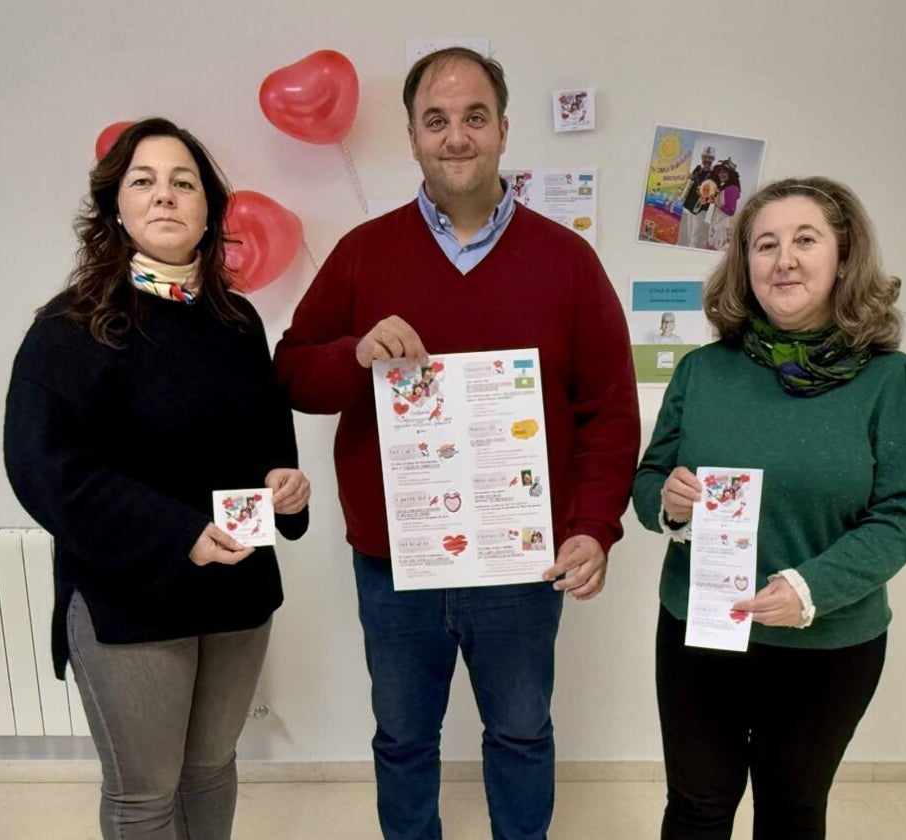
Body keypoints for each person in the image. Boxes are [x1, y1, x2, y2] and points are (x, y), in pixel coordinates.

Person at [273, 47, 639, 840]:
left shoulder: (567, 262)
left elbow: (609, 409)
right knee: (403, 740)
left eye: (474, 117)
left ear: (504, 129)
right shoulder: (365, 253)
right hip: (395, 561)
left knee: (520, 733)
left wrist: (595, 525)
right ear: (410, 137)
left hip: (521, 558)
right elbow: (294, 373)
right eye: (436, 120)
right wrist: (355, 353)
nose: (456, 136)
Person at [3, 118, 310, 840]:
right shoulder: (70, 327)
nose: (165, 195)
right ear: (117, 207)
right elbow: (45, 471)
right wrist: (179, 536)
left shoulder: (238, 321)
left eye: (183, 182)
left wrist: (284, 489)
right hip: (128, 596)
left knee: (210, 769)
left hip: (237, 587)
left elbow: (269, 440)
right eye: (144, 181)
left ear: (208, 211)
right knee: (145, 793)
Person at [631, 176, 906, 839]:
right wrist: (670, 507)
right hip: (701, 629)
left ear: (844, 256)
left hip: (825, 644)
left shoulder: (892, 381)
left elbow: (903, 515)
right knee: (697, 808)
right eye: (764, 244)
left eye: (805, 240)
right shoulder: (702, 371)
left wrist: (810, 588)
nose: (783, 259)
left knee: (792, 811)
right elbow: (652, 480)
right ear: (745, 265)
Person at [680, 145, 717, 249]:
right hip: (690, 203)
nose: (707, 160)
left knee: (695, 232)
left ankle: (692, 247)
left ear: (713, 159)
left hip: (701, 207)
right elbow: (690, 182)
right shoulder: (697, 168)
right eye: (705, 157)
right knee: (689, 228)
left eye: (710, 158)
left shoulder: (715, 174)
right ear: (702, 158)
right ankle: (688, 245)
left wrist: (705, 199)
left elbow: (715, 195)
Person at [706, 158, 742, 251]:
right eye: (720, 172)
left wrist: (718, 204)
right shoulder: (725, 187)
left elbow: (731, 211)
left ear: (731, 174)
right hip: (717, 225)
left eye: (724, 172)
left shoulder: (732, 189)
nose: (721, 174)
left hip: (722, 227)